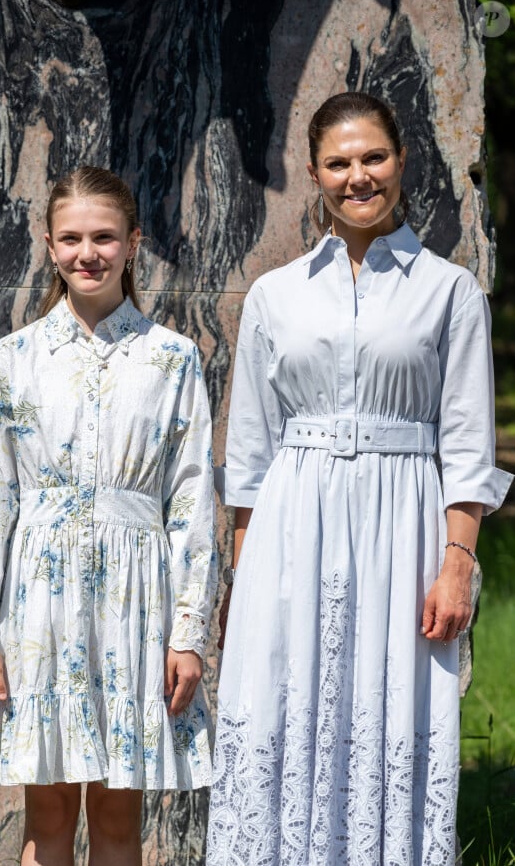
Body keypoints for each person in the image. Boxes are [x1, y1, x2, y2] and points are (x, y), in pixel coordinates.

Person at [206, 91, 513, 864]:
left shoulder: (450, 291)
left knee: (387, 712)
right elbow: (248, 456)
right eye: (339, 163)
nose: (358, 177)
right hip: (291, 525)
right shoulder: (276, 295)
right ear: (314, 173)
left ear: (402, 161)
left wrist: (457, 564)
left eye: (372, 157)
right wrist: (241, 581)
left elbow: (471, 440)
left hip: (403, 526)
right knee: (285, 706)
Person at [0, 165, 217, 865]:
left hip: (136, 603)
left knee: (118, 809)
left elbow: (191, 497)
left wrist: (188, 631)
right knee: (47, 807)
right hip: (39, 601)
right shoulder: (14, 359)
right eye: (71, 238)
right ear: (48, 244)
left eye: (104, 236)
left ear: (133, 243)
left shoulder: (173, 359)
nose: (87, 253)